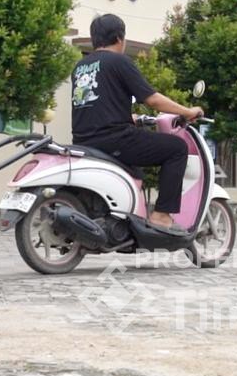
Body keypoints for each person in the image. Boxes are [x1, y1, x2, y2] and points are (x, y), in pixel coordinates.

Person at [71, 14, 202, 231]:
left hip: (84, 142)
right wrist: (187, 111)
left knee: (136, 170)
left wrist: (130, 118)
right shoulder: (120, 61)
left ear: (95, 39)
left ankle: (127, 219)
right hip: (115, 140)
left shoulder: (80, 66)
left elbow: (94, 105)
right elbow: (152, 99)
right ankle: (161, 215)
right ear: (120, 38)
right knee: (177, 148)